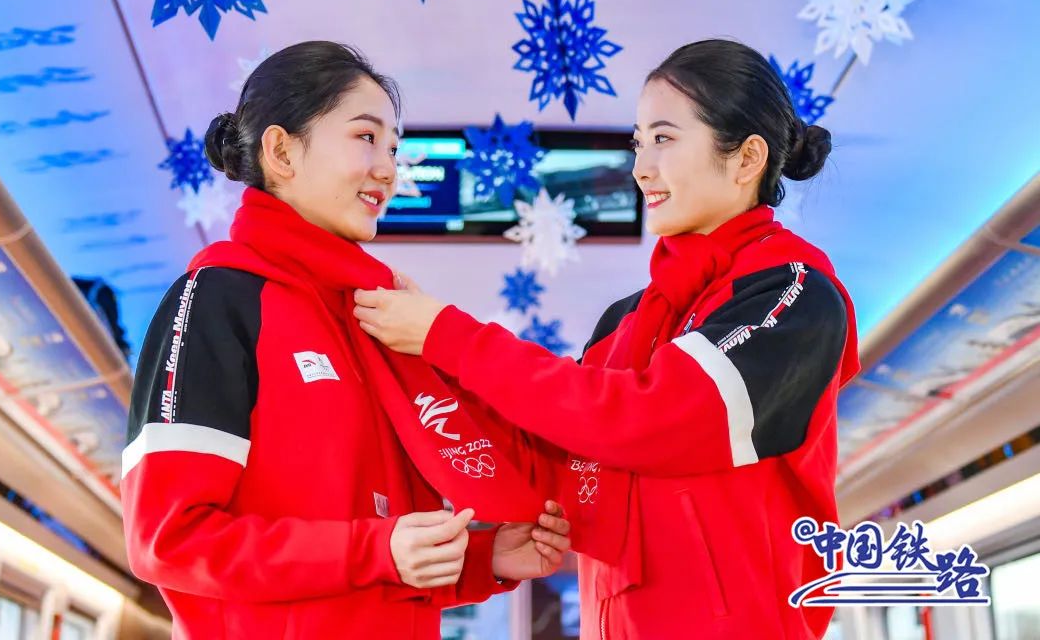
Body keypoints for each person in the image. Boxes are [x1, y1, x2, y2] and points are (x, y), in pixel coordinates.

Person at [354, 39, 861, 639]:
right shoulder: (626, 322)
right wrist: (424, 360)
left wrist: (450, 337)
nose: (641, 168)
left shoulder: (791, 294)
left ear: (747, 157)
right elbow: (545, 456)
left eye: (664, 139)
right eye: (638, 143)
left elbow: (652, 418)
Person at [121, 41, 570, 639]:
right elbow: (169, 538)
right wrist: (376, 550)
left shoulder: (372, 317)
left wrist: (479, 560)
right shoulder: (219, 299)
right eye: (365, 137)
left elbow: (381, 545)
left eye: (393, 148)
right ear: (282, 151)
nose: (388, 169)